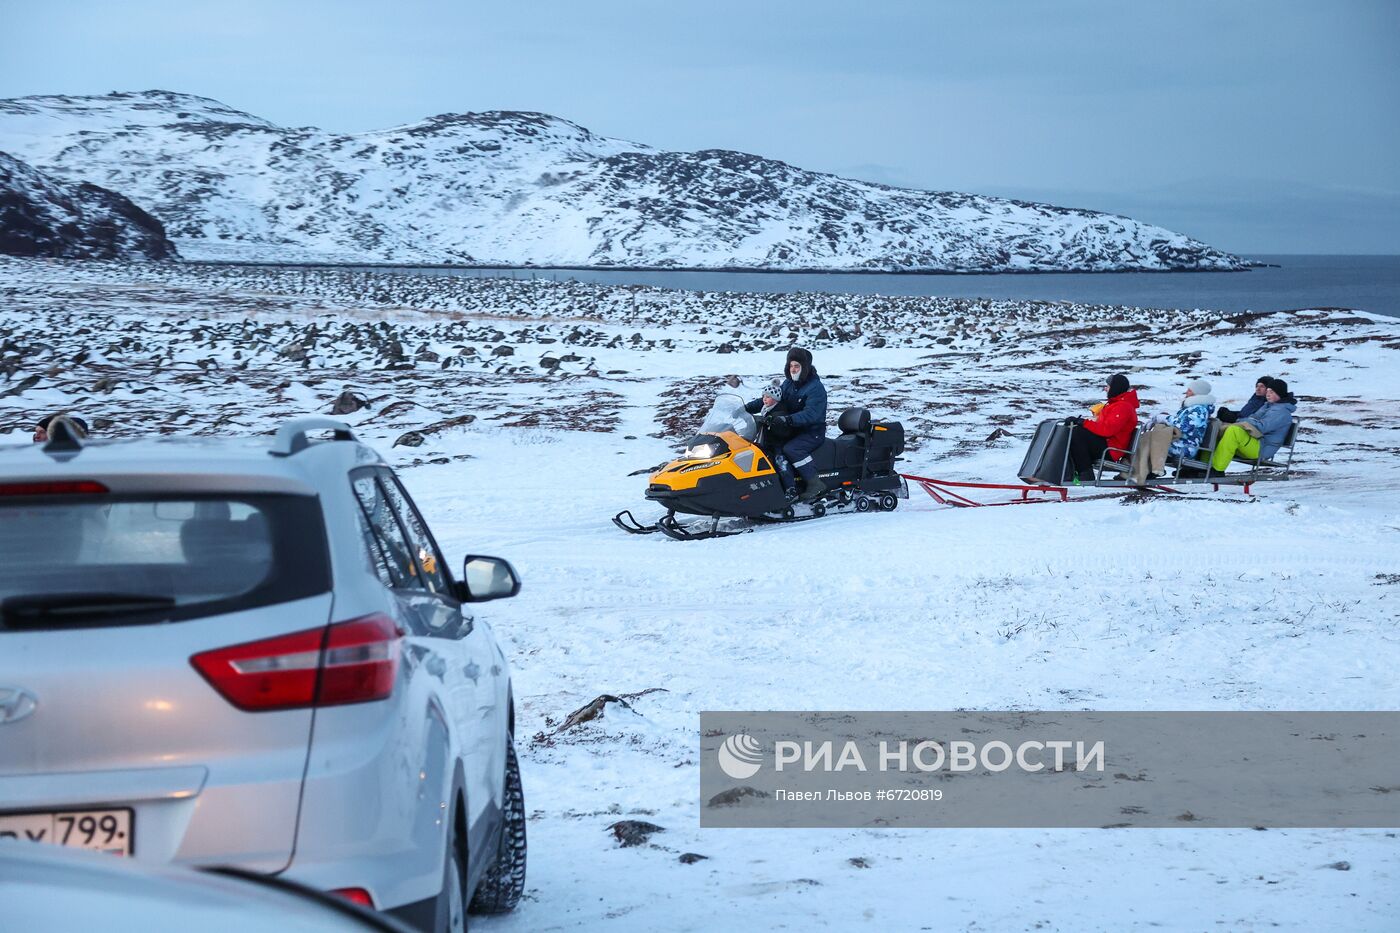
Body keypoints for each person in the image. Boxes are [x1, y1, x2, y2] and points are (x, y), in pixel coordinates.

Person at [745, 348, 828, 501]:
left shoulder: (816, 388)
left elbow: (812, 414)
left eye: (796, 366)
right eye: (790, 366)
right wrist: (745, 408)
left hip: (811, 432)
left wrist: (788, 419)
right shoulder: (789, 383)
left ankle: (814, 483)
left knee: (791, 449)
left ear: (805, 367)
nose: (793, 369)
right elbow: (772, 398)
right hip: (792, 429)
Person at [1130, 379, 1215, 485]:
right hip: (1181, 442)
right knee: (1148, 438)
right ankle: (1145, 471)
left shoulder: (1199, 410)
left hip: (1186, 448)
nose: (1187, 392)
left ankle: (1147, 472)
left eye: (1190, 390)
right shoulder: (1193, 407)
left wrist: (1163, 418)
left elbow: (1184, 427)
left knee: (1152, 442)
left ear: (1198, 392)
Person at [1211, 379, 1297, 472]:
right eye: (1267, 391)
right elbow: (1253, 418)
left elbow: (1261, 427)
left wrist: (1237, 420)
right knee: (1217, 428)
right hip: (1256, 442)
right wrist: (1238, 420)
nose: (1268, 394)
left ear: (1280, 394)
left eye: (1271, 392)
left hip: (1262, 448)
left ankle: (1217, 470)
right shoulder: (1268, 406)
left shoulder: (1281, 412)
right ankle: (1205, 466)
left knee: (1234, 431)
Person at [1066, 374, 1139, 483]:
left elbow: (1107, 430)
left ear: (1115, 388)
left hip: (1111, 450)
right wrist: (1082, 422)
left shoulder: (1123, 407)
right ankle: (1065, 471)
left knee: (1077, 433)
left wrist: (1083, 423)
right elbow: (1102, 425)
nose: (1105, 389)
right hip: (1106, 444)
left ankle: (1085, 474)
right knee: (1071, 431)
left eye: (1108, 386)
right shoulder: (1115, 404)